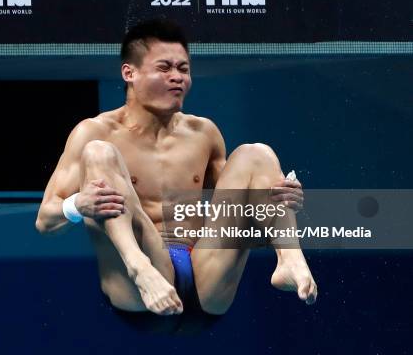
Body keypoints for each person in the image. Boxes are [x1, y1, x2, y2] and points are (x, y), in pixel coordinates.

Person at [35, 18, 317, 330]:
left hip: (205, 280)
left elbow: (241, 223)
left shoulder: (204, 133)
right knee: (100, 153)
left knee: (257, 154)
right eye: (165, 68)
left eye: (183, 69)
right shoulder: (94, 131)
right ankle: (140, 268)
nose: (177, 77)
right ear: (130, 73)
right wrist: (78, 204)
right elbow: (45, 221)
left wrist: (280, 205)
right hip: (140, 286)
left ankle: (291, 261)